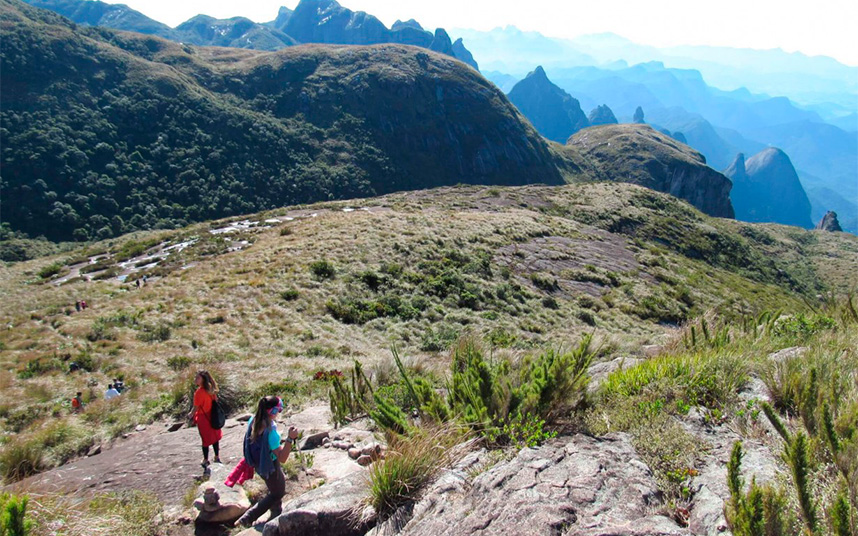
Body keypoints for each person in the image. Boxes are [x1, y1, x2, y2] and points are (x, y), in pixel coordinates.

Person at [235, 396, 298, 528]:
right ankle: (247, 518)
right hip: (270, 465)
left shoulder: (253, 420)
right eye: (278, 410)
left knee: (274, 486)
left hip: (258, 464)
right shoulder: (271, 433)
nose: (279, 413)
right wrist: (290, 439)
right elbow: (282, 458)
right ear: (272, 412)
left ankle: (276, 511)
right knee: (278, 492)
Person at [189, 370, 222, 467]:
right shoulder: (211, 389)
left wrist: (191, 414)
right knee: (215, 437)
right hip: (213, 415)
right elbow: (215, 400)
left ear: (203, 380)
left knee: (205, 440)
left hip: (203, 418)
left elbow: (196, 407)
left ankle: (205, 459)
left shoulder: (199, 392)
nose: (195, 379)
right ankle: (216, 456)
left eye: (198, 378)